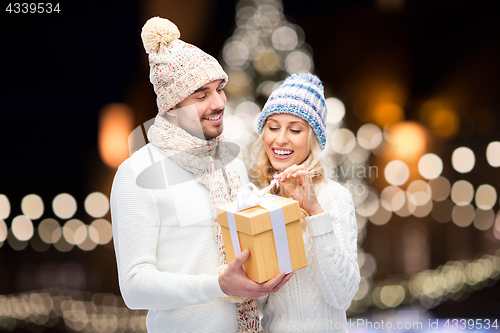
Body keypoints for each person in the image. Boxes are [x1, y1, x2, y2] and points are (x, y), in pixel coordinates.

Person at [110, 17, 291, 333]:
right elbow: (134, 287)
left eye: (219, 89)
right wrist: (219, 285)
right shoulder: (136, 173)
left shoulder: (230, 166)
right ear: (171, 105)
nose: (219, 102)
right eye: (201, 94)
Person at [250, 73, 361, 332]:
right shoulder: (259, 200)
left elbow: (342, 296)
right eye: (273, 127)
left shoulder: (332, 196)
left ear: (313, 139)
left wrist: (314, 211)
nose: (280, 139)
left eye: (295, 129)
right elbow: (259, 302)